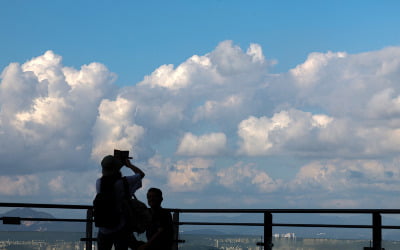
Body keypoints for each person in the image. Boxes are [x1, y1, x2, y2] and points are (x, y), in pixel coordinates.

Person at [96, 155, 145, 250]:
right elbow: (141, 174)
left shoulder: (99, 183)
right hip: (120, 227)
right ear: (116, 168)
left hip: (103, 227)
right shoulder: (124, 182)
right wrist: (129, 165)